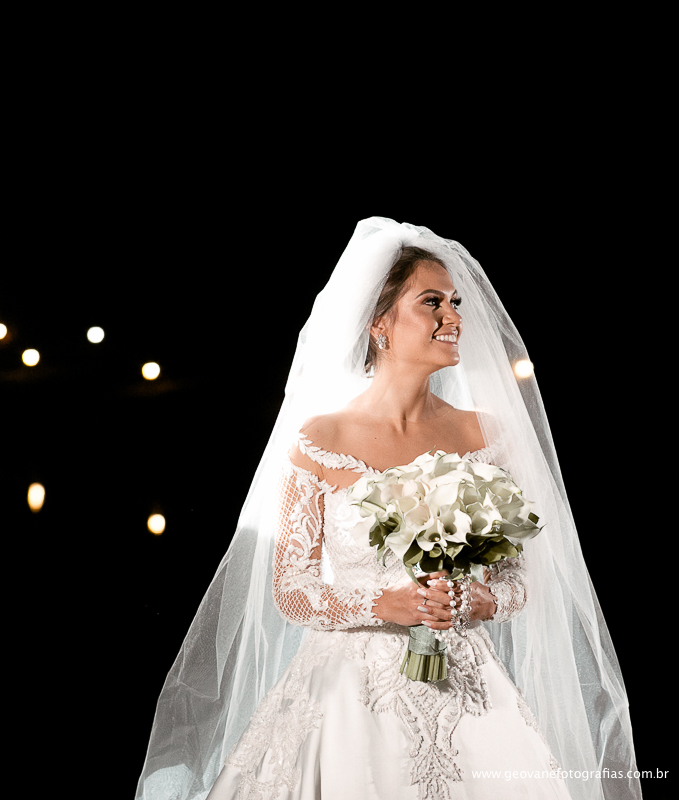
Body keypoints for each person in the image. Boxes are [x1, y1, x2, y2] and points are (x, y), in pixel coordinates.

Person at [136, 218, 639, 800]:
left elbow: (516, 581)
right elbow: (292, 589)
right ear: (380, 324)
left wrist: (478, 599)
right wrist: (385, 603)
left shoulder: (487, 437)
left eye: (454, 302)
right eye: (432, 302)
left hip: (463, 686)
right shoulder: (321, 440)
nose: (454, 317)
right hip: (347, 698)